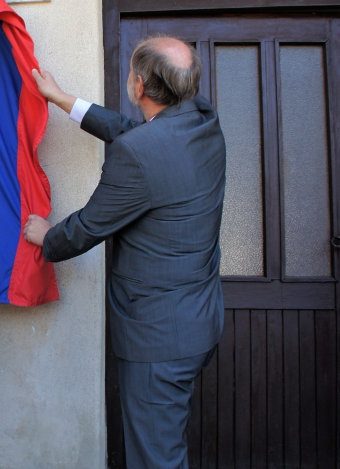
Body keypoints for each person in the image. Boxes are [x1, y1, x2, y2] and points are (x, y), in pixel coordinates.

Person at [24, 36, 226, 468]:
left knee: (157, 460)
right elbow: (135, 133)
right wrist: (63, 100)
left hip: (159, 340)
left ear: (138, 85)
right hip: (198, 323)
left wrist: (45, 236)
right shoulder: (205, 123)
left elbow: (87, 227)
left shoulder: (139, 153)